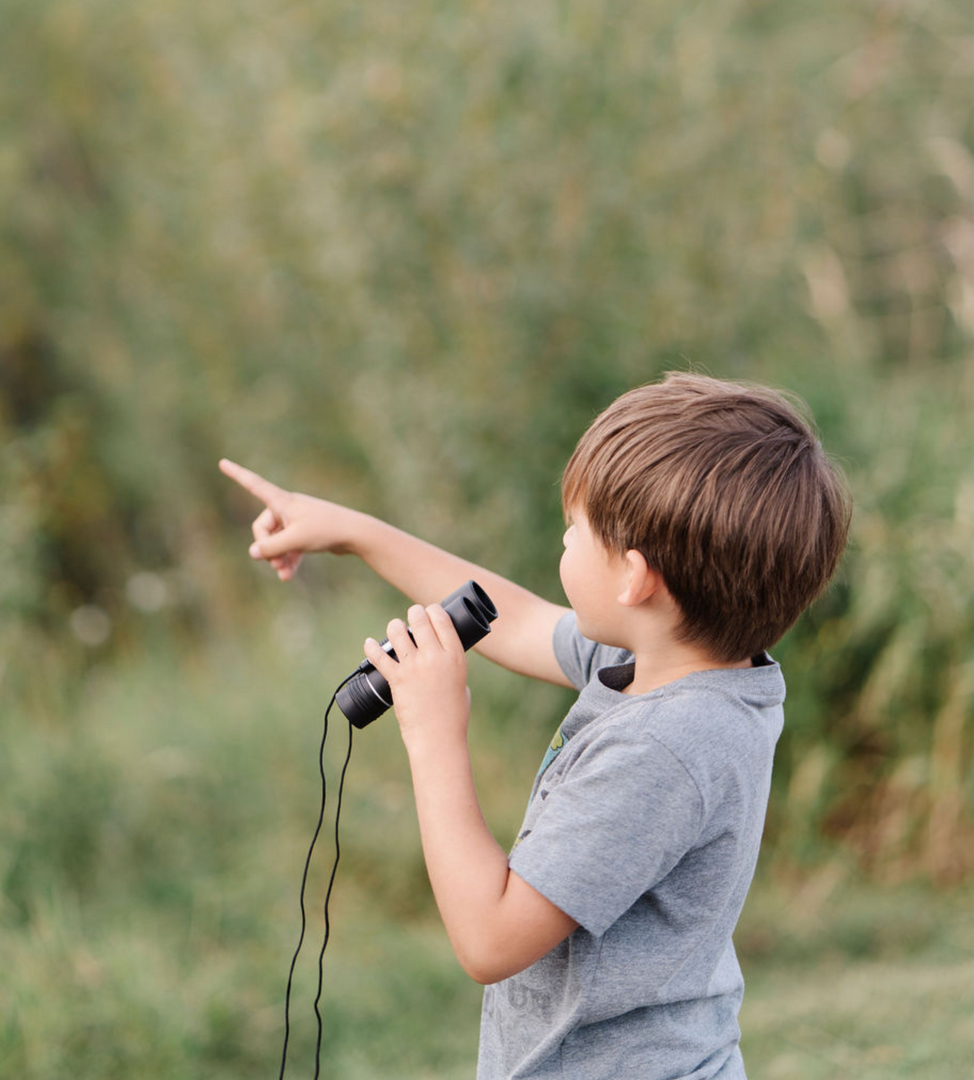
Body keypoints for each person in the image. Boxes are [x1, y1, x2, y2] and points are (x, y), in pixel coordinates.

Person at [220, 372, 851, 1080]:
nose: (563, 538)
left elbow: (490, 940)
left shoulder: (662, 748)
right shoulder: (676, 665)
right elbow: (510, 617)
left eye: (576, 529)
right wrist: (355, 533)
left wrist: (435, 733)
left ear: (636, 580)